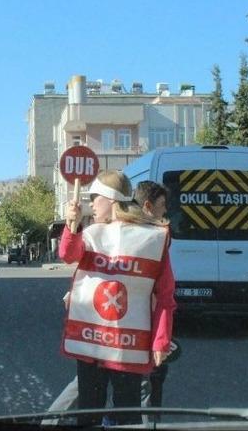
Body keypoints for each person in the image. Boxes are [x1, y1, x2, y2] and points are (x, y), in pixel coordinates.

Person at [58, 170, 176, 426]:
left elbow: (165, 296)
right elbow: (68, 254)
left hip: (123, 347)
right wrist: (71, 225)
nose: (91, 204)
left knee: (125, 414)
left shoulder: (153, 238)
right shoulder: (92, 233)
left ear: (111, 199)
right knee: (91, 413)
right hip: (99, 345)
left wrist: (161, 341)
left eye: (94, 198)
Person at [133, 180, 173, 420]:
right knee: (145, 385)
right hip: (142, 326)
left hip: (136, 326)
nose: (165, 210)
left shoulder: (158, 237)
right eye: (162, 204)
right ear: (147, 206)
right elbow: (164, 295)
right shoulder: (153, 239)